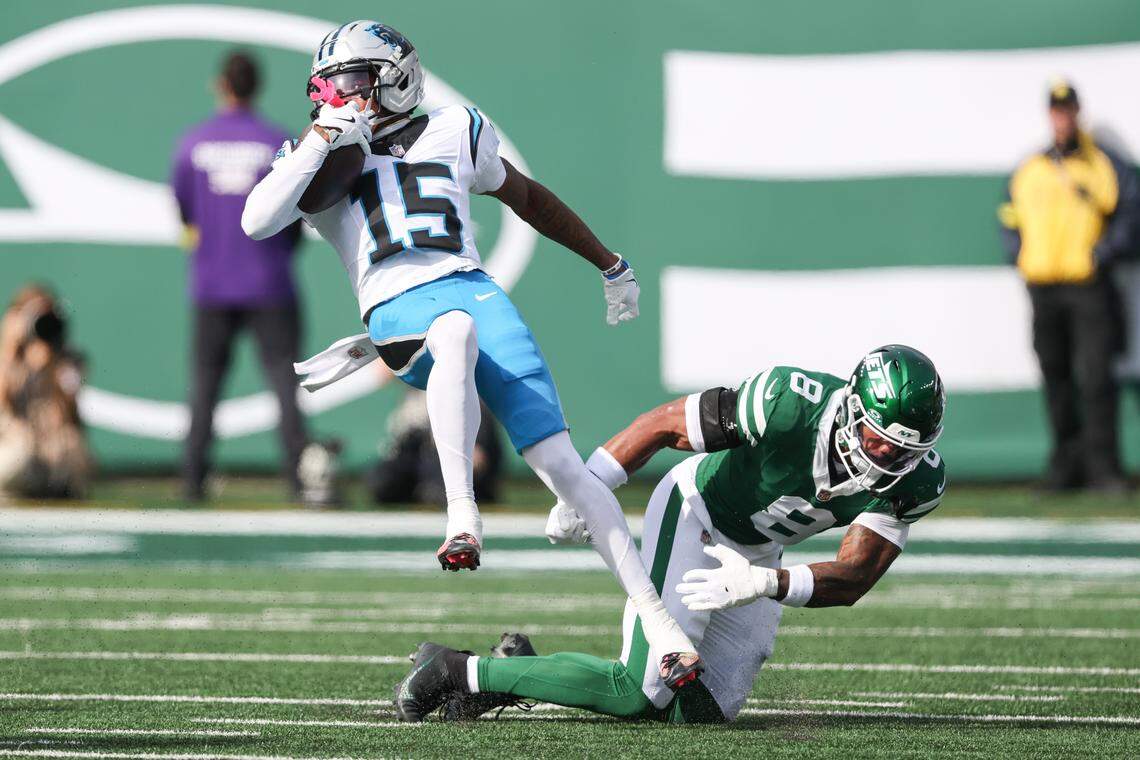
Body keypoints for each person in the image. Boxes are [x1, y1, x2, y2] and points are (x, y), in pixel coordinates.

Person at [241, 20, 699, 686]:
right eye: (335, 86)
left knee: (566, 468)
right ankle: (463, 515)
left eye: (357, 81)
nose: (344, 96)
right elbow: (256, 219)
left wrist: (608, 263)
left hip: (475, 292)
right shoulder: (325, 155)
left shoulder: (458, 128)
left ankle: (664, 632)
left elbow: (527, 197)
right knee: (452, 332)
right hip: (398, 310)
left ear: (397, 77)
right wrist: (319, 138)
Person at [391, 345, 947, 725]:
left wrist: (764, 580)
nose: (887, 458)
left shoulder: (917, 482)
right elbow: (664, 424)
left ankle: (514, 671)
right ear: (852, 409)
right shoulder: (788, 403)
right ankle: (456, 669)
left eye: (905, 451)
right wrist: (586, 487)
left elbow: (853, 578)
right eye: (878, 441)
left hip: (756, 554)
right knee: (642, 692)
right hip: (696, 512)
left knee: (704, 713)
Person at [172, 51, 308, 501]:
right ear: (256, 86)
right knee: (286, 387)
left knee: (205, 386)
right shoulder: (276, 141)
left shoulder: (193, 144)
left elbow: (185, 212)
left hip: (213, 283)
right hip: (270, 281)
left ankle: (193, 479)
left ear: (220, 85)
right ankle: (298, 478)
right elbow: (294, 212)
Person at [998, 80, 1138, 493]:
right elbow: (1008, 215)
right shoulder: (1032, 169)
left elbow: (1129, 214)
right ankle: (1065, 465)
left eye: (1069, 110)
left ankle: (1103, 468)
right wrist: (1019, 255)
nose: (1063, 118)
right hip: (1043, 286)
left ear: (1079, 112)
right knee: (1055, 375)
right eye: (1057, 111)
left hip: (1087, 285)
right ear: (1050, 115)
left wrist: (1102, 254)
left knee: (1096, 377)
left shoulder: (1102, 164)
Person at [0, 285, 92, 499]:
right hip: (15, 452)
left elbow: (70, 415)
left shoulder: (67, 361)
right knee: (19, 455)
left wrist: (50, 368)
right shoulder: (8, 360)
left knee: (72, 452)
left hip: (53, 455)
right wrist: (10, 350)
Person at [367, 388, 503, 506]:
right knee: (382, 481)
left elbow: (478, 459)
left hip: (447, 459)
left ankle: (435, 490)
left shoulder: (465, 391)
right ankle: (421, 490)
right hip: (417, 457)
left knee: (442, 487)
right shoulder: (414, 390)